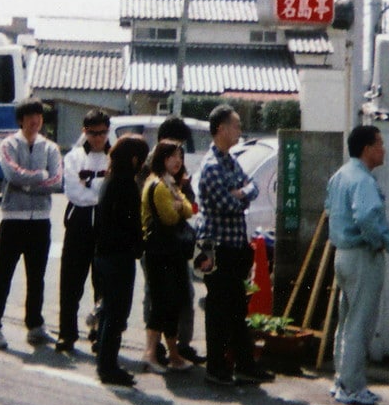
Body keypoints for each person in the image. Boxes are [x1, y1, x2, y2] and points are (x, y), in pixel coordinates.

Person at [195, 104, 274, 386]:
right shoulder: (212, 166)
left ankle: (243, 363)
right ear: (221, 129)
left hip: (232, 243)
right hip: (213, 245)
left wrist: (241, 192)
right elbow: (230, 205)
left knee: (237, 307)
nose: (240, 131)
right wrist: (240, 194)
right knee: (218, 308)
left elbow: (250, 187)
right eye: (236, 125)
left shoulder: (229, 160)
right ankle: (216, 367)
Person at [326, 125, 389, 405]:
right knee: (360, 322)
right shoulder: (364, 181)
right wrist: (378, 241)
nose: (383, 149)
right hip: (362, 255)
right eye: (379, 143)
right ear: (367, 149)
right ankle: (353, 386)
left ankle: (341, 379)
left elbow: (329, 208)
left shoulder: (340, 175)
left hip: (342, 254)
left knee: (346, 320)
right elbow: (367, 217)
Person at [0, 98, 62, 350]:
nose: (35, 120)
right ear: (21, 120)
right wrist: (40, 177)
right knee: (2, 276)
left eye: (38, 116)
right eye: (30, 116)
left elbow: (58, 181)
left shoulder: (50, 148)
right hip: (12, 220)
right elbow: (11, 174)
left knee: (36, 277)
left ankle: (35, 326)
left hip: (40, 221)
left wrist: (27, 183)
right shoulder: (9, 144)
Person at [144, 116, 204, 365]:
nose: (178, 158)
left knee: (180, 296)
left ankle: (179, 347)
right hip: (160, 246)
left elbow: (191, 206)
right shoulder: (154, 175)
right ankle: (155, 349)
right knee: (158, 298)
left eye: (181, 148)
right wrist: (180, 204)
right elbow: (169, 214)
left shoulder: (175, 172)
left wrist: (182, 203)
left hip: (174, 246)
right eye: (174, 148)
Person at [92, 135, 149, 386]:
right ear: (135, 159)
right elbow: (131, 223)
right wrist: (139, 246)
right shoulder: (126, 184)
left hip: (104, 253)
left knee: (108, 312)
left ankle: (105, 363)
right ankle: (108, 367)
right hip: (119, 255)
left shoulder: (109, 179)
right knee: (117, 313)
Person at [55, 109, 110, 353]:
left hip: (105, 224)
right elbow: (74, 194)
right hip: (78, 224)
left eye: (102, 133)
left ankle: (99, 332)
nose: (97, 138)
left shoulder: (115, 157)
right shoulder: (73, 157)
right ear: (84, 132)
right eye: (92, 133)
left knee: (103, 283)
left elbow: (111, 193)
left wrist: (90, 185)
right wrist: (99, 189)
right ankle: (67, 334)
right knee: (71, 282)